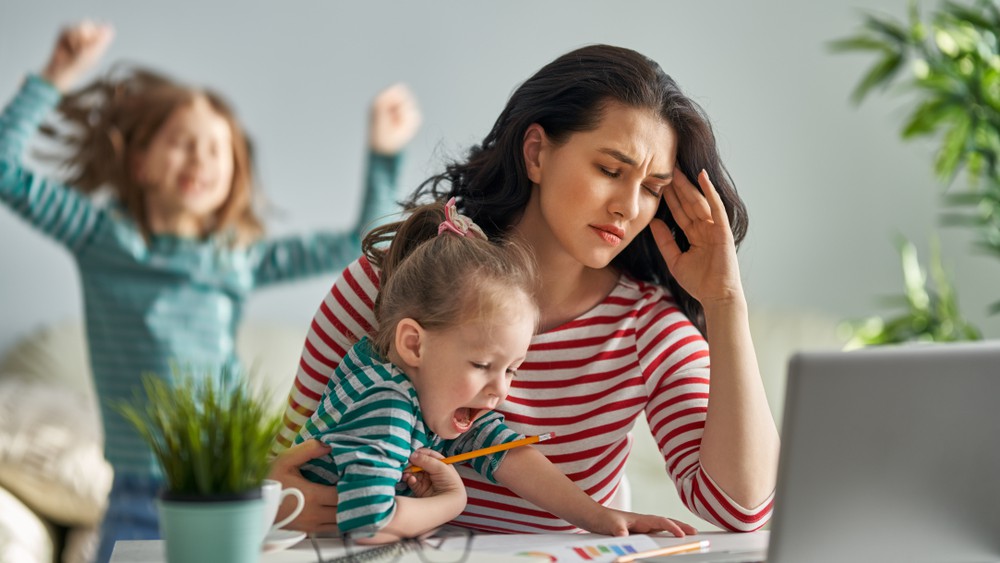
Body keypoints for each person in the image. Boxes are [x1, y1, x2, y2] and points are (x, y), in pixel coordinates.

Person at [271, 43, 780, 534]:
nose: (629, 206)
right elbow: (280, 459)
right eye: (610, 170)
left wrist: (724, 302)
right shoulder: (392, 282)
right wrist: (274, 501)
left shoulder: (647, 329)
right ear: (536, 153)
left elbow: (739, 510)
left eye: (652, 188)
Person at [0, 21, 420, 562]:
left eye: (217, 149)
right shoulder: (100, 238)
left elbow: (356, 243)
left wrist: (383, 154)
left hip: (232, 485)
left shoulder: (234, 259)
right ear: (140, 163)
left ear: (233, 175)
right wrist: (55, 75)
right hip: (138, 492)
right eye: (181, 142)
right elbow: (8, 172)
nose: (200, 157)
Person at [293, 198, 695, 541]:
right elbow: (368, 522)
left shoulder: (418, 387)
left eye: (512, 370)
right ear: (413, 343)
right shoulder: (388, 407)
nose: (500, 392)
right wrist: (452, 502)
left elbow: (503, 450)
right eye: (483, 365)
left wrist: (600, 516)